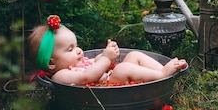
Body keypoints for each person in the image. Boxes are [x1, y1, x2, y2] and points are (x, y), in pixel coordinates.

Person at [27, 15, 187, 86]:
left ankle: (164, 73)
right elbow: (87, 76)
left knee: (133, 55)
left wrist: (105, 54)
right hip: (106, 88)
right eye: (70, 49)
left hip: (110, 78)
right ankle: (161, 75)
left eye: (76, 46)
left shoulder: (76, 62)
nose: (78, 51)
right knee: (124, 67)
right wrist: (106, 58)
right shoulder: (61, 75)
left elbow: (92, 64)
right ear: (51, 63)